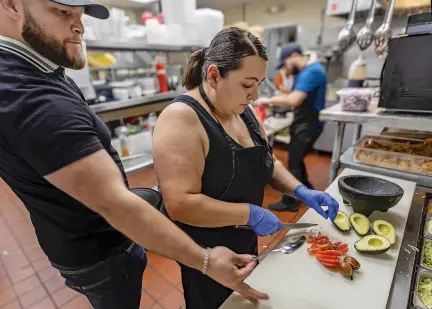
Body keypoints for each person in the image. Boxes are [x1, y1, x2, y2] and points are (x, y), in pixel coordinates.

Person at [0, 1, 268, 308]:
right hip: (99, 254)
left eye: (80, 14)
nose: (80, 26)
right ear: (11, 4)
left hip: (96, 235)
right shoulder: (29, 96)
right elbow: (116, 205)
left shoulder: (43, 67)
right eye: (62, 12)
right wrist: (205, 260)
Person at [153, 27, 339, 309]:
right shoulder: (182, 118)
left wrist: (301, 191)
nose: (254, 95)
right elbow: (180, 203)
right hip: (207, 252)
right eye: (247, 84)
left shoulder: (243, 111)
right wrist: (249, 212)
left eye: (259, 84)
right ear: (214, 75)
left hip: (245, 238)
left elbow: (267, 161)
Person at [256, 43, 327, 212]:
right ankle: (306, 188)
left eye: (286, 64)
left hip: (307, 124)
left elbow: (295, 100)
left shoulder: (312, 71)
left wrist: (268, 101)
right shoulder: (308, 71)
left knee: (293, 161)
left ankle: (290, 202)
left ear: (294, 56)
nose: (286, 69)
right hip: (305, 122)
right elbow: (295, 94)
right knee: (298, 157)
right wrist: (279, 94)